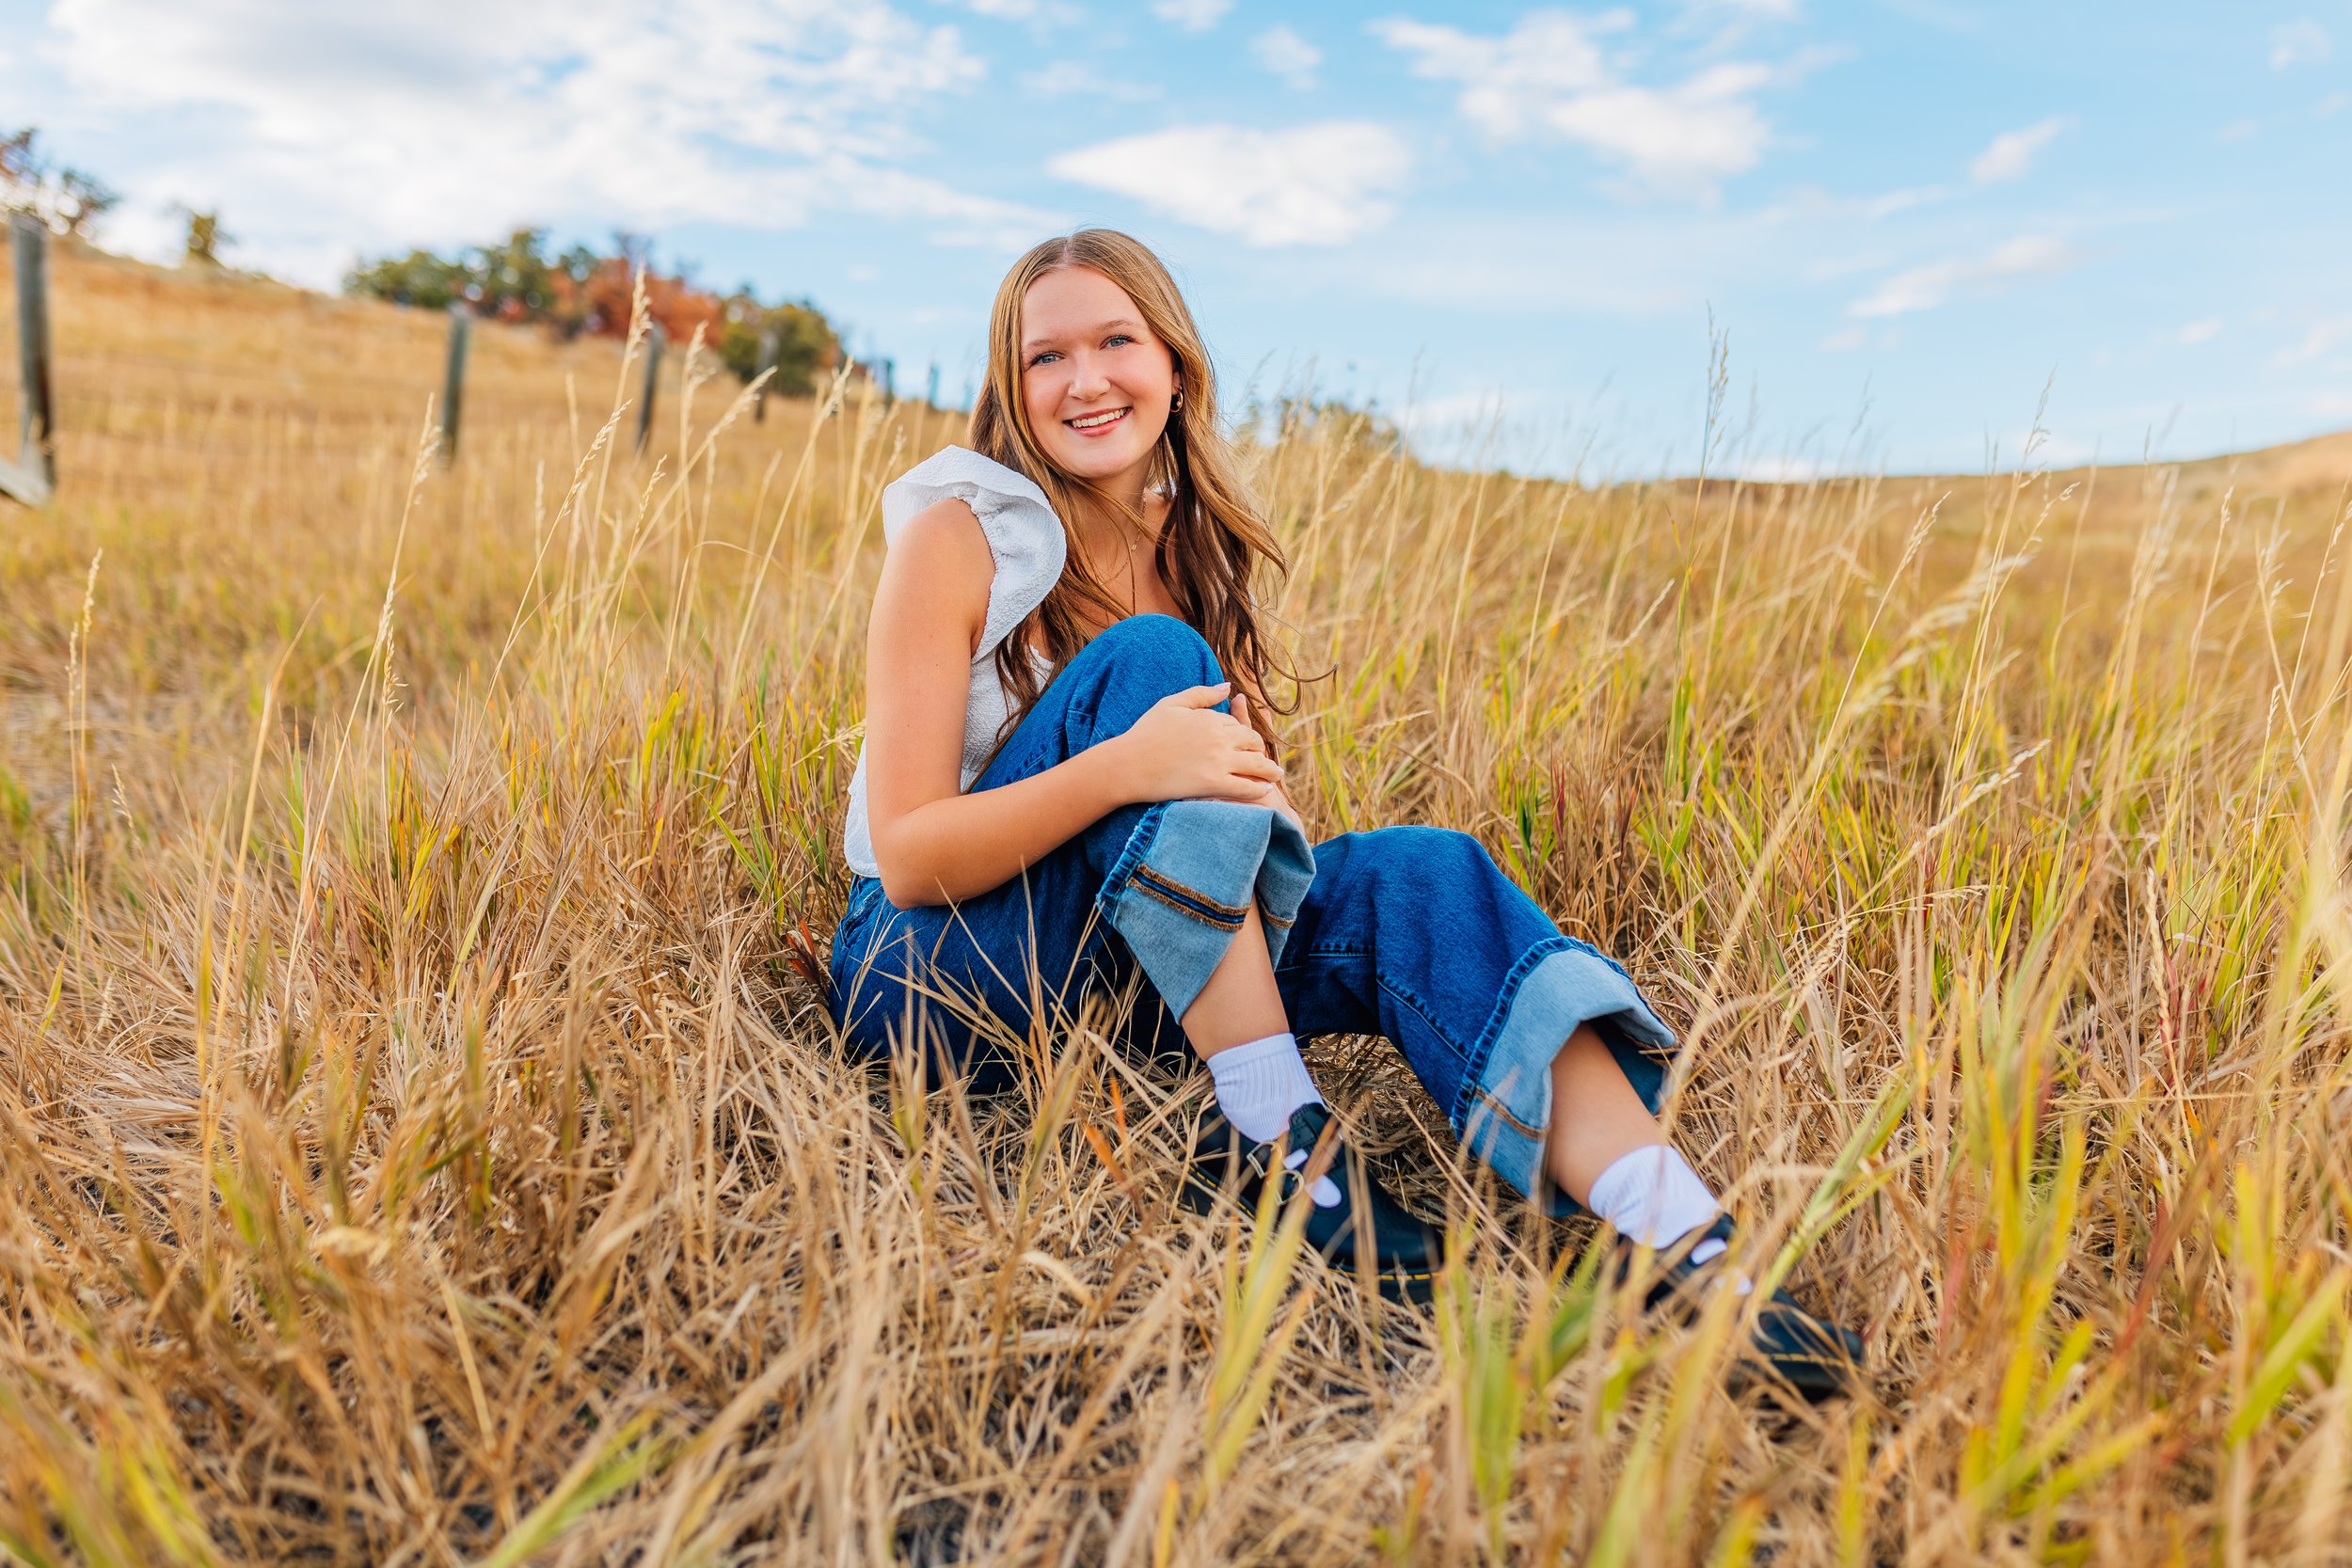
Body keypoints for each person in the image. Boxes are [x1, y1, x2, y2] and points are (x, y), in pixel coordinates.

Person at [827, 229, 1865, 1398]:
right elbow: (909, 858)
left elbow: (1232, 834)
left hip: (1120, 972)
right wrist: (1128, 764)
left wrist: (1224, 781)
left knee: (1426, 874)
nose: (1085, 380)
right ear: (1007, 389)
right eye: (1045, 356)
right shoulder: (961, 531)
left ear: (1174, 361)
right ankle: (1273, 1139)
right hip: (934, 978)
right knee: (1151, 661)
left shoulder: (1192, 547)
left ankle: (1687, 1246)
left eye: (1116, 339)